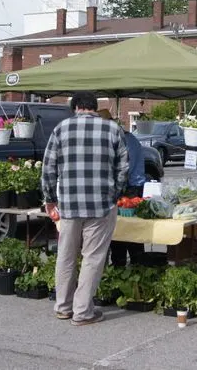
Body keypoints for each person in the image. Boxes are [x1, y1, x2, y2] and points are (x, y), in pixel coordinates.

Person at [42, 92, 128, 326]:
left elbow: (48, 168)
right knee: (92, 258)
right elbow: (123, 167)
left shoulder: (61, 129)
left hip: (69, 205)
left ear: (76, 107)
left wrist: (50, 199)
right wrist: (115, 194)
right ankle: (82, 312)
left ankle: (62, 307)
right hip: (101, 205)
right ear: (93, 106)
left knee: (66, 256)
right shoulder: (112, 129)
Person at [99, 110, 146, 268]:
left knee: (130, 231)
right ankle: (122, 266)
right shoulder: (117, 137)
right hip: (123, 187)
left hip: (132, 188)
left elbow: (125, 169)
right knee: (119, 231)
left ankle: (134, 266)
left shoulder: (125, 139)